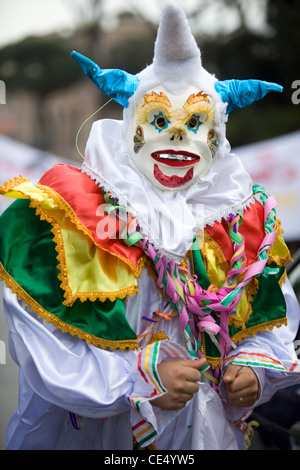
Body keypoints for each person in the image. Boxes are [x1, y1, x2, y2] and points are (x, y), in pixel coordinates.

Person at [1, 3, 300, 451]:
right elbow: (42, 343)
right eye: (159, 120)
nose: (178, 135)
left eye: (196, 122)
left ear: (217, 133)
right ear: (131, 122)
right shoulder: (72, 212)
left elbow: (268, 322)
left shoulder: (239, 219)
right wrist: (138, 376)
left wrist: (255, 369)